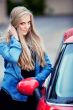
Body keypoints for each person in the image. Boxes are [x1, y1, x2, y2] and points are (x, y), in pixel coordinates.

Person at [0, 6, 53, 110]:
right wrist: (15, 39)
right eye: (22, 23)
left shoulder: (35, 42)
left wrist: (37, 81)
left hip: (32, 95)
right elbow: (14, 57)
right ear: (14, 24)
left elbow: (48, 67)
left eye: (28, 22)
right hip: (10, 96)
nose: (27, 26)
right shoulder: (4, 43)